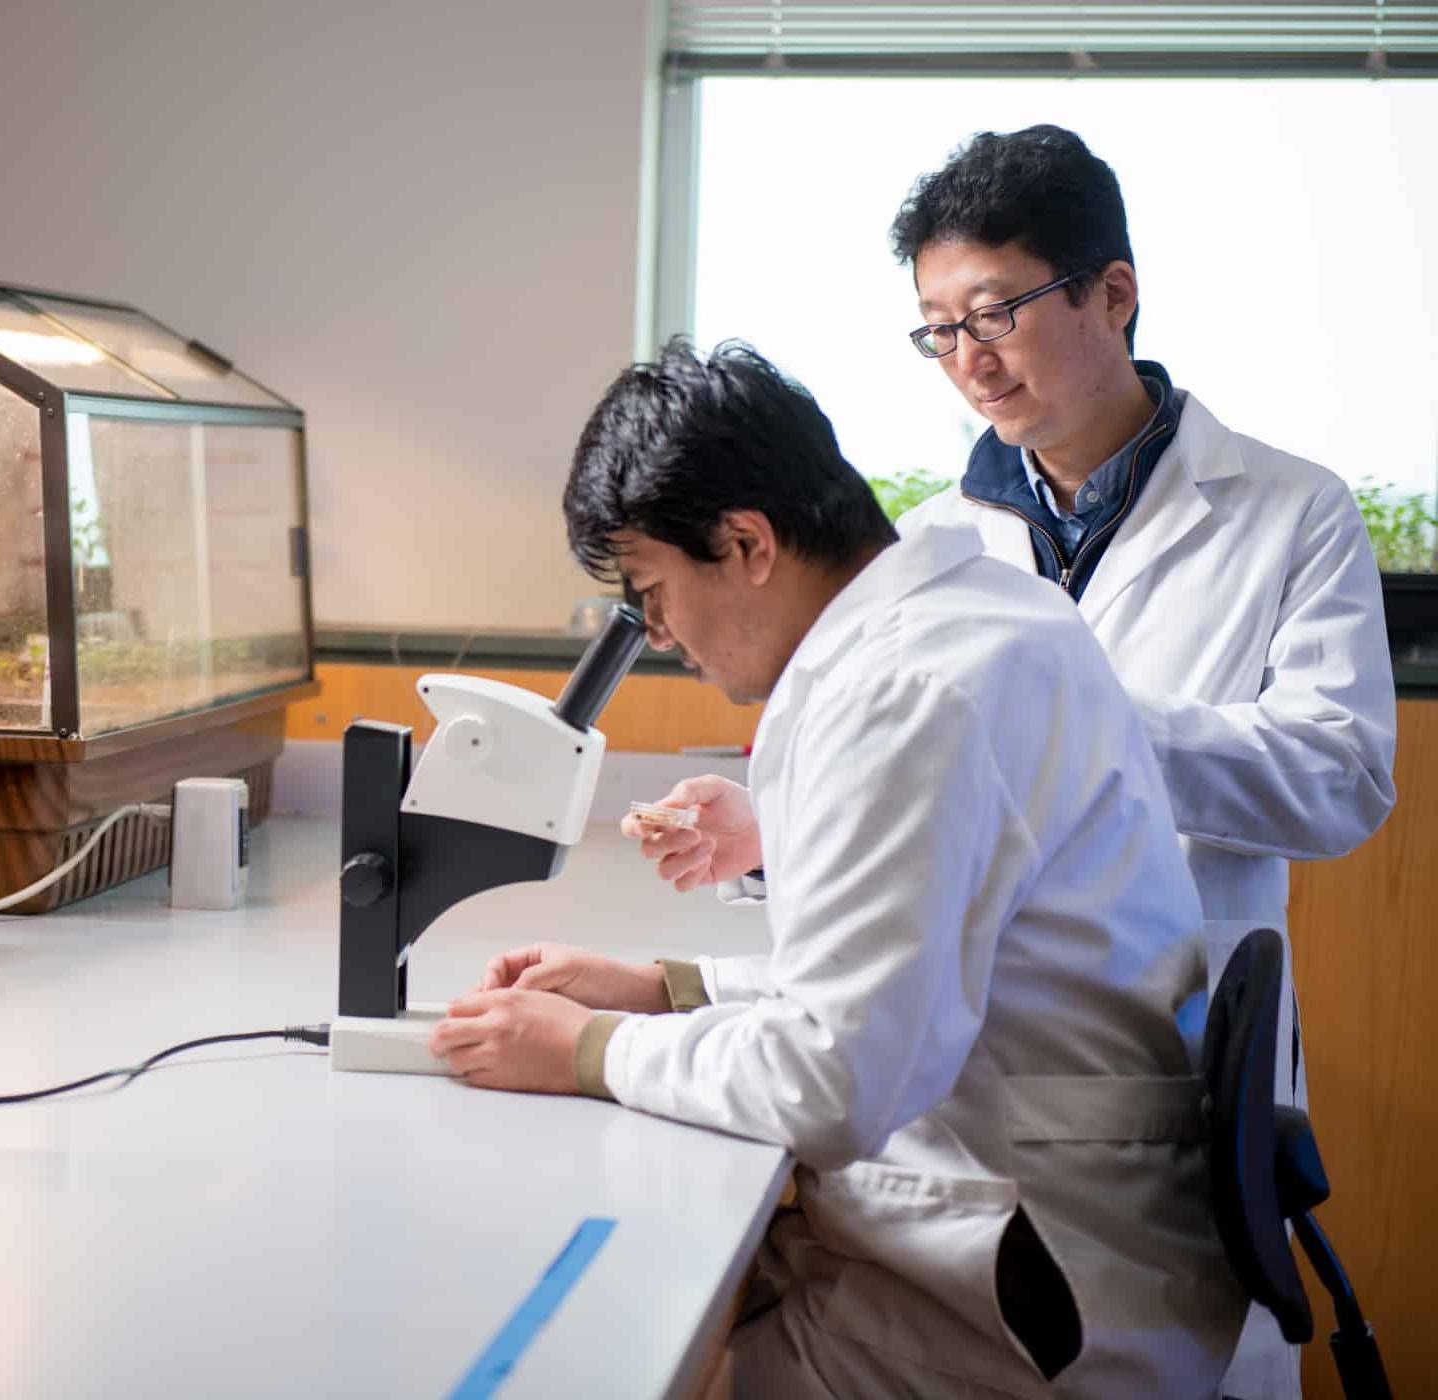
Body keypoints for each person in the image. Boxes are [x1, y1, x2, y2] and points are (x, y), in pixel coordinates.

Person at [429, 341, 1247, 1396]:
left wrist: (590, 1047)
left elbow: (833, 1081)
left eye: (652, 591)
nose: (661, 634)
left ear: (745, 542)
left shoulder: (909, 689)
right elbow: (917, 966)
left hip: (1022, 1289)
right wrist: (674, 987)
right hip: (1019, 1209)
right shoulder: (958, 625)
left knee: (613, 1352)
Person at [888, 124, 1397, 1399]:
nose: (968, 357)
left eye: (995, 309)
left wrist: (1088, 725)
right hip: (969, 1078)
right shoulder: (929, 544)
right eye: (937, 326)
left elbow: (1340, 777)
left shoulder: (1291, 508)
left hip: (1176, 1072)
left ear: (1112, 291)